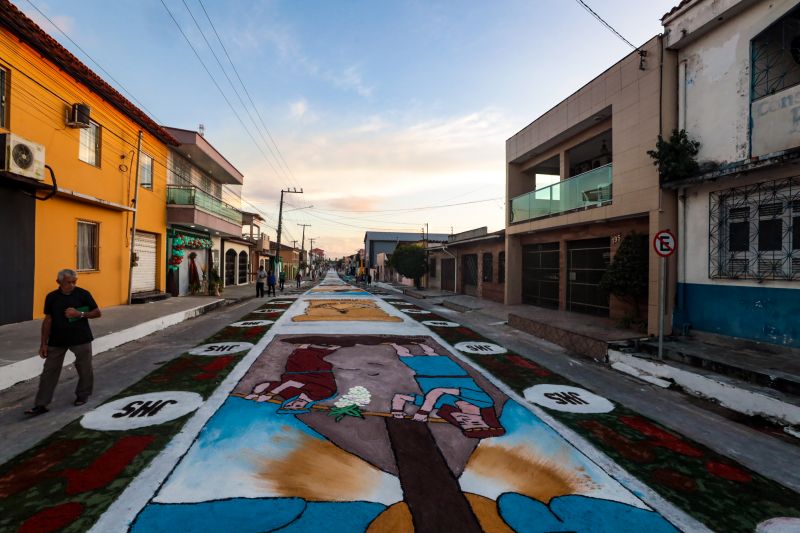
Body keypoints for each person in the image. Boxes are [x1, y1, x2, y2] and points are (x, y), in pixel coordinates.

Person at [25, 269, 102, 416]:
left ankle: (82, 394)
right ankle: (41, 404)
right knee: (49, 371)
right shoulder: (52, 297)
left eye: (74, 282)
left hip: (81, 339)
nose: (72, 285)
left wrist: (80, 314)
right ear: (59, 282)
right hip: (57, 340)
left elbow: (97, 312)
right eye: (68, 282)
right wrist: (43, 343)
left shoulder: (83, 294)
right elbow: (48, 320)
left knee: (84, 368)